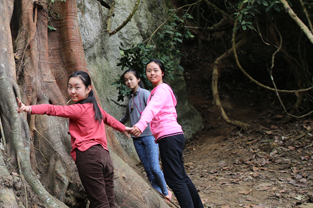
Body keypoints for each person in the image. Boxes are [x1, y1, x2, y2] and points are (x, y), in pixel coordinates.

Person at [17, 71, 130, 208]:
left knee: (99, 203)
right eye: (70, 87)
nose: (72, 91)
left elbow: (51, 109)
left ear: (88, 89)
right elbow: (109, 119)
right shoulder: (95, 107)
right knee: (109, 201)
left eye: (77, 87)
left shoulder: (78, 109)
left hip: (89, 156)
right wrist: (124, 128)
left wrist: (28, 108)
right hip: (105, 157)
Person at [127, 59, 204, 208]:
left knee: (174, 179)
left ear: (162, 72)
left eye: (155, 70)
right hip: (173, 135)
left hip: (169, 137)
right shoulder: (159, 91)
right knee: (180, 176)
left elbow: (152, 108)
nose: (152, 73)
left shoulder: (161, 90)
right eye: (149, 70)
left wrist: (141, 125)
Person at [119, 69, 171, 201]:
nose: (129, 82)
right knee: (148, 169)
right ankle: (158, 194)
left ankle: (166, 192)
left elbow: (153, 109)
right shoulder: (130, 99)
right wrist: (115, 124)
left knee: (154, 167)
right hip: (136, 139)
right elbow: (126, 116)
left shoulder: (145, 94)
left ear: (138, 79)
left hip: (149, 135)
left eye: (131, 78)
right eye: (126, 80)